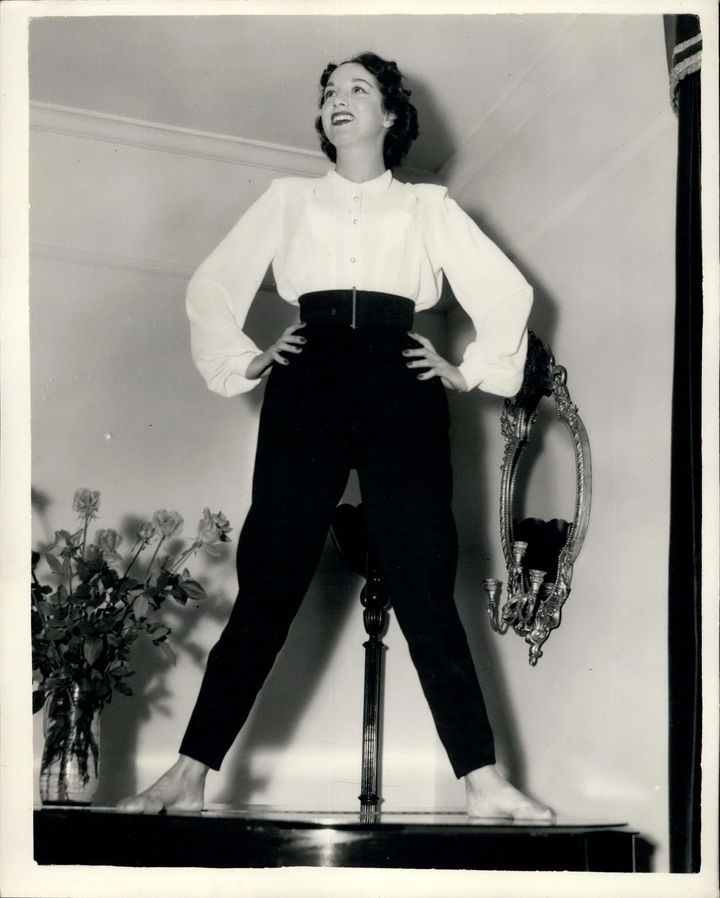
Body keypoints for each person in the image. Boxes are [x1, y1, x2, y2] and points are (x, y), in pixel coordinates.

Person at [118, 52, 553, 821]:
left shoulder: (430, 208)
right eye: (328, 92)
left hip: (401, 378)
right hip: (308, 377)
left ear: (390, 116)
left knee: (425, 578)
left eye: (357, 88)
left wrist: (470, 368)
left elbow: (506, 291)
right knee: (270, 577)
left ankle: (481, 780)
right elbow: (211, 286)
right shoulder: (287, 199)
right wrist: (246, 361)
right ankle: (188, 771)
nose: (337, 100)